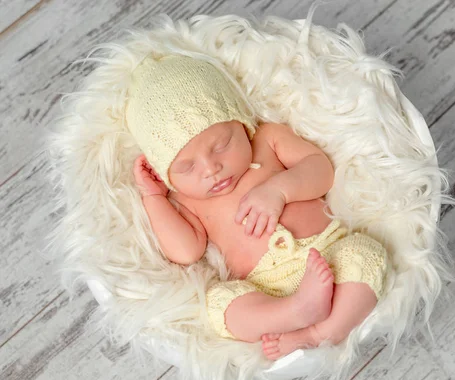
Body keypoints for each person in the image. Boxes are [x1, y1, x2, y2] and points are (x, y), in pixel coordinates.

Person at [128, 53, 388, 360]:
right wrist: (153, 197)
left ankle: (318, 333)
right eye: (186, 167)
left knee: (367, 254)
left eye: (221, 145)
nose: (211, 168)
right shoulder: (188, 201)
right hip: (267, 290)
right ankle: (294, 311)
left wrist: (278, 190)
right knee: (219, 305)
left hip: (328, 254)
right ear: (166, 175)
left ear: (240, 121)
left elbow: (322, 170)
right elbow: (185, 252)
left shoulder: (268, 139)